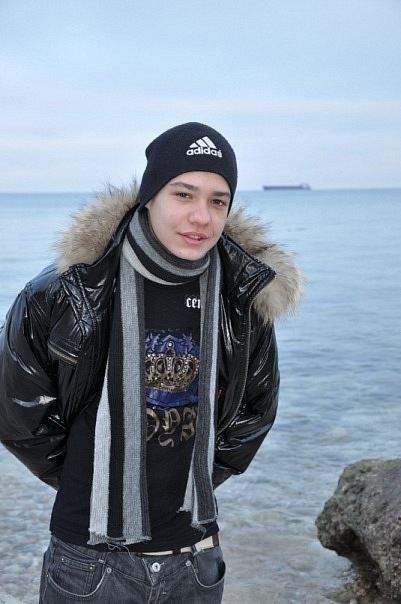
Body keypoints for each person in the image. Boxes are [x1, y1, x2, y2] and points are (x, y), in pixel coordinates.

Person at [0, 122, 303, 603]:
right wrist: (87, 479)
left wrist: (198, 479)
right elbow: (17, 410)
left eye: (218, 201)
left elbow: (256, 409)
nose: (201, 216)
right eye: (183, 194)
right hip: (88, 561)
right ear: (149, 196)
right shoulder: (68, 292)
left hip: (196, 561)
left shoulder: (241, 298)